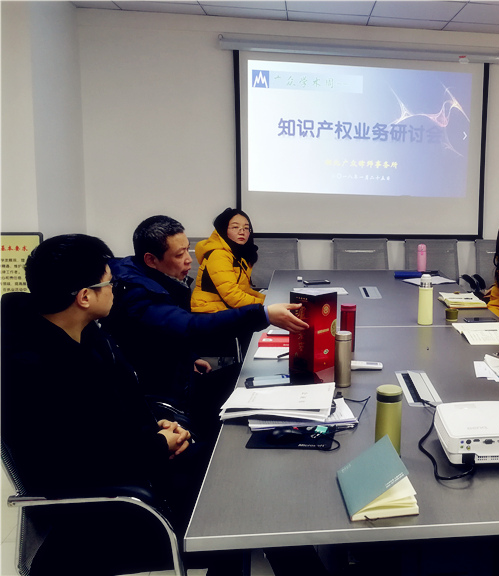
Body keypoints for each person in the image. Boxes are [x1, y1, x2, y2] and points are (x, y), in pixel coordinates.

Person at [0, 234, 218, 575]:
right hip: (111, 509)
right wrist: (158, 445)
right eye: (109, 283)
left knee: (229, 469)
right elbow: (80, 462)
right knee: (231, 513)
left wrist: (156, 425)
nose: (115, 289)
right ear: (85, 296)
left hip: (139, 472)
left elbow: (115, 411)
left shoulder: (87, 333)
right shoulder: (34, 369)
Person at [104, 215, 308, 437]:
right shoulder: (137, 295)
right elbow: (188, 326)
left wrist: (189, 357)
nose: (189, 260)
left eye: (187, 250)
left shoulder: (153, 279)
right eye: (179, 254)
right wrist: (263, 314)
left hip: (183, 378)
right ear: (151, 260)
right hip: (168, 398)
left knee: (247, 377)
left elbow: (164, 330)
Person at [191, 207, 265, 313]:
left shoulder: (236, 254)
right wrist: (266, 304)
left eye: (246, 228)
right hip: (209, 311)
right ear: (223, 229)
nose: (242, 232)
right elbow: (233, 296)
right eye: (235, 227)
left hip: (224, 309)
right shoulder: (219, 255)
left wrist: (267, 298)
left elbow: (243, 290)